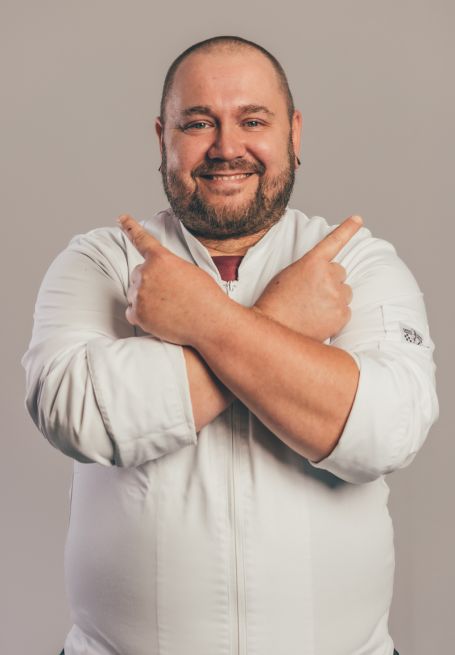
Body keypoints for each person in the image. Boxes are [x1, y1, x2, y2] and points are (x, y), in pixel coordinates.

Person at [21, 35, 438, 655]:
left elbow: (385, 430)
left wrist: (203, 321)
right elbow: (75, 414)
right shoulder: (101, 262)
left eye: (253, 121)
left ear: (294, 133)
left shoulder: (354, 263)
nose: (226, 147)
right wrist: (281, 320)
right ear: (162, 138)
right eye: (198, 123)